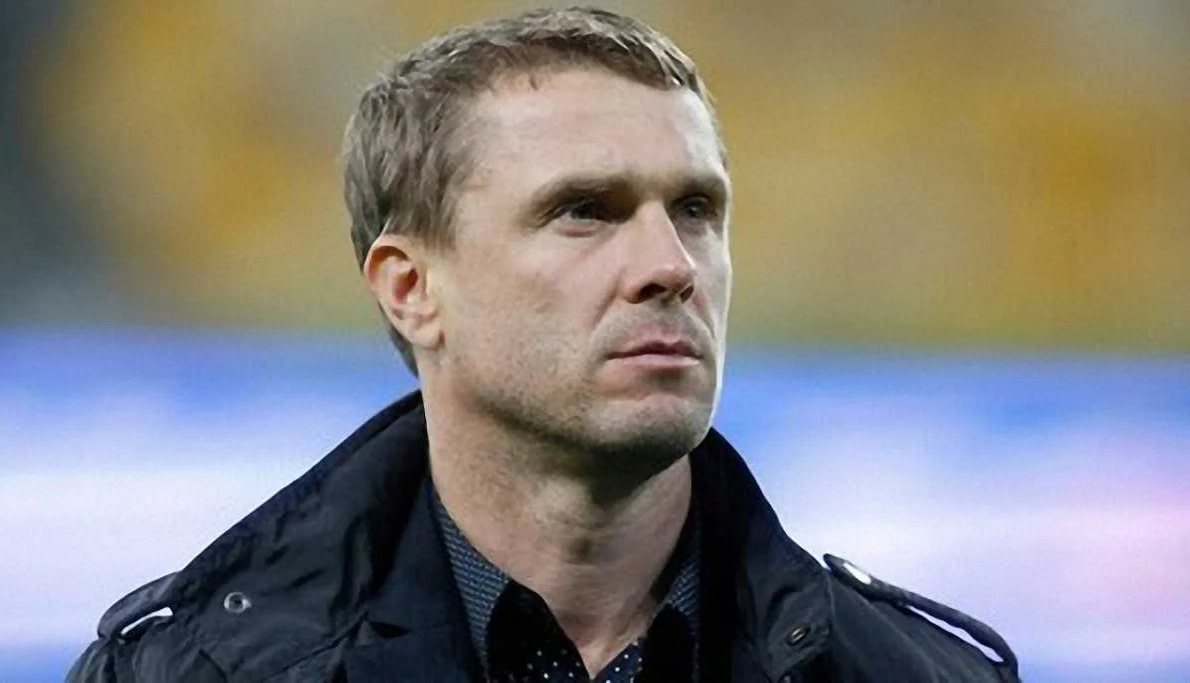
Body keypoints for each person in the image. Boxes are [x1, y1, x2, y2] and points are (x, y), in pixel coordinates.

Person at [68, 7, 1019, 682]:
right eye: (585, 211)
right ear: (412, 289)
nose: (670, 265)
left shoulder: (915, 671)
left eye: (695, 209)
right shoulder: (183, 669)